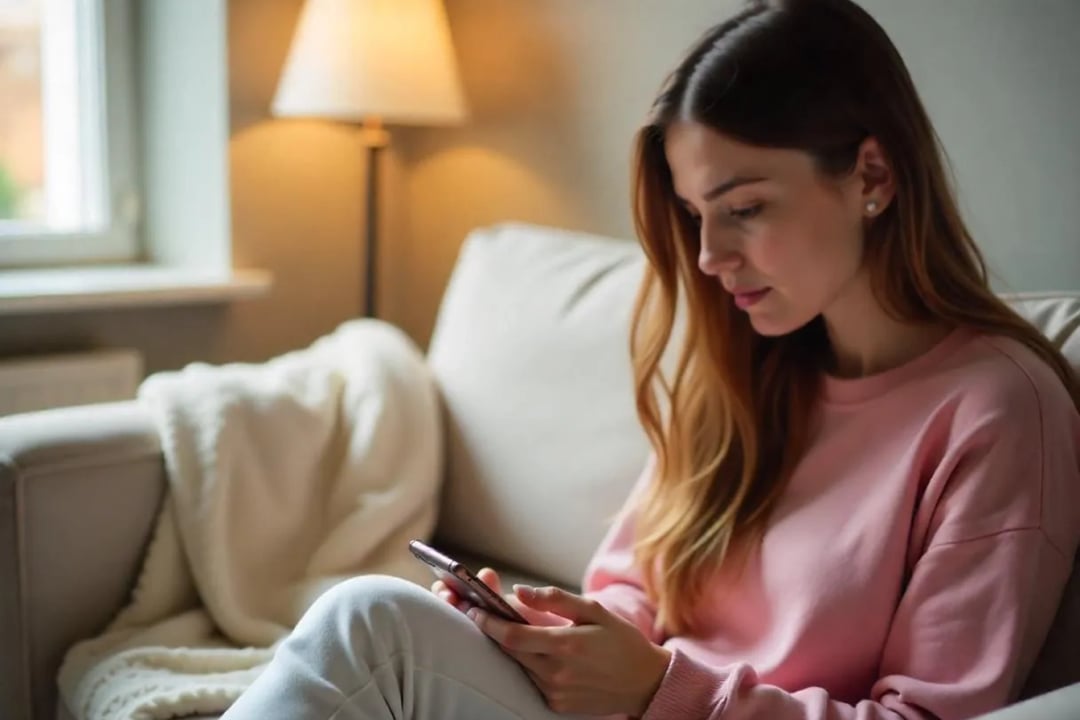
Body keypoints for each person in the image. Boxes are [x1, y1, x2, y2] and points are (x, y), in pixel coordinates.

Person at [221, 0, 1080, 718]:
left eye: (745, 207)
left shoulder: (1000, 410)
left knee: (372, 625)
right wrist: (547, 634)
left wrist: (663, 689)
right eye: (697, 214)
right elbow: (633, 589)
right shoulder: (752, 369)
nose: (708, 256)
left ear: (873, 176)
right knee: (385, 626)